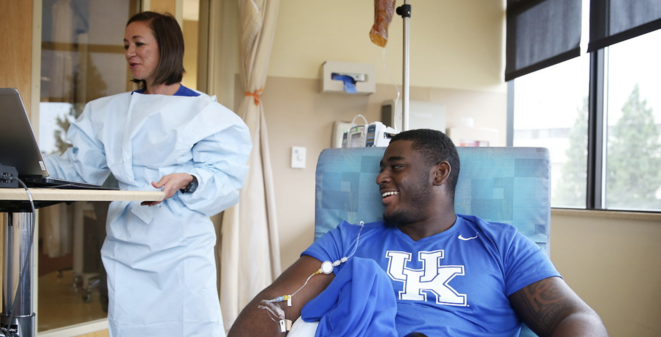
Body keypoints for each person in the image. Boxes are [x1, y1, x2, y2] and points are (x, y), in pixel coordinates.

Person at [228, 129, 607, 337]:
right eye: (381, 168)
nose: (380, 178)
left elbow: (572, 317)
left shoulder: (501, 244)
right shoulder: (349, 239)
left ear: (438, 174)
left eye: (396, 166)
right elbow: (275, 304)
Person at [44, 12, 252, 337]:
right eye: (126, 45)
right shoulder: (107, 112)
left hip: (182, 248)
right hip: (126, 247)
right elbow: (79, 170)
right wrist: (29, 163)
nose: (129, 52)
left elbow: (226, 181)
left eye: (139, 43)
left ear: (166, 47)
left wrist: (189, 178)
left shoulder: (209, 116)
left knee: (191, 328)